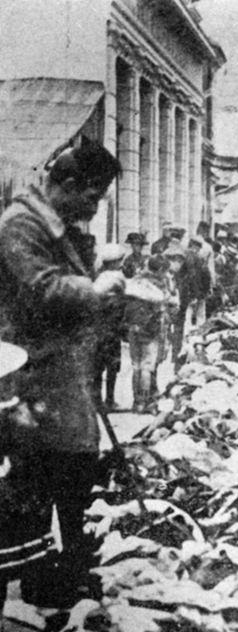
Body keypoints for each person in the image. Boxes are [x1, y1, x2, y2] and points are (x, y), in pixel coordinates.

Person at [0, 139, 125, 608]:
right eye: (90, 198)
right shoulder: (20, 224)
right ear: (67, 185)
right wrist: (93, 287)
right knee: (29, 486)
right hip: (28, 375)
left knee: (72, 470)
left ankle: (60, 576)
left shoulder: (58, 226)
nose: (92, 209)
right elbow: (41, 288)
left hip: (61, 371)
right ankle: (45, 578)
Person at [124, 255, 169, 413]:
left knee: (136, 366)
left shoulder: (135, 281)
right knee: (147, 367)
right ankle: (144, 401)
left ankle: (136, 402)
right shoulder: (158, 284)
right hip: (150, 330)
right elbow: (166, 305)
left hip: (133, 329)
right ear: (161, 270)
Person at [93, 243, 128, 410]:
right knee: (112, 366)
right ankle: (110, 400)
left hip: (98, 329)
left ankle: (97, 400)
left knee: (98, 367)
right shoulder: (117, 278)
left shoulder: (98, 278)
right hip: (112, 329)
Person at [171, 237, 212, 367]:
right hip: (197, 296)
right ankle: (198, 348)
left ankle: (184, 349)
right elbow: (205, 277)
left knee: (186, 323)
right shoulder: (200, 259)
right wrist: (201, 294)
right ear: (197, 247)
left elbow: (179, 278)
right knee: (200, 321)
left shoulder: (183, 259)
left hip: (185, 296)